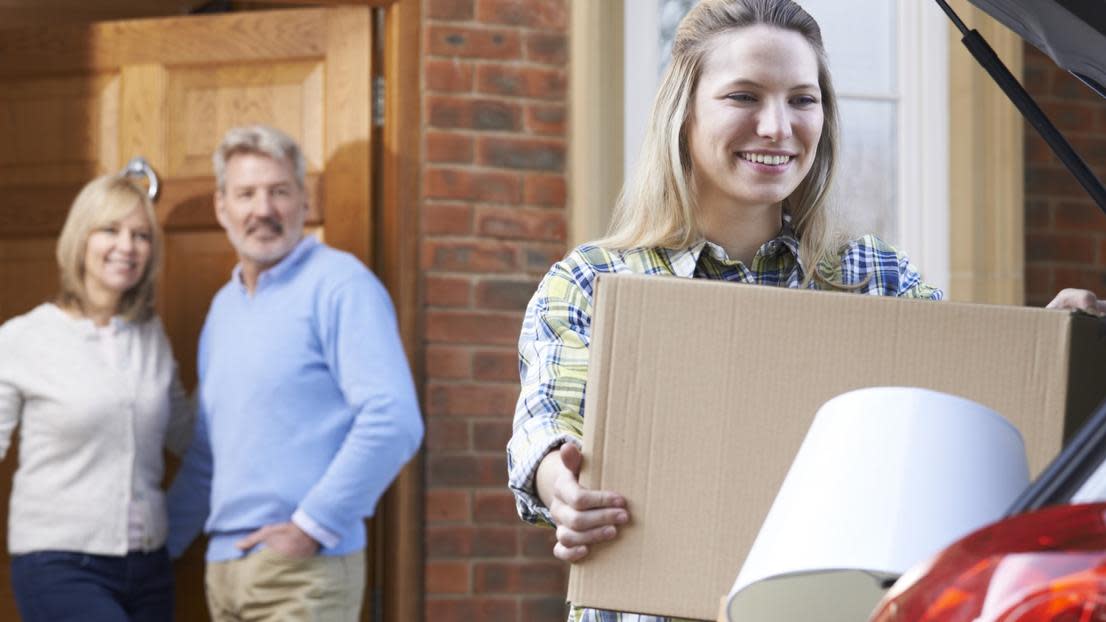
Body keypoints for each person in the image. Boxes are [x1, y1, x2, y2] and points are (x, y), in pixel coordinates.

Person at [507, 1, 1103, 620]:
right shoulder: (590, 282)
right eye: (743, 96)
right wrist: (563, 489)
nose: (776, 126)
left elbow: (966, 401)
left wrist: (1053, 342)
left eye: (802, 99)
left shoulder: (874, 277)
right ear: (682, 111)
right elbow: (546, 430)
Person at [166, 124, 423, 621]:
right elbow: (206, 452)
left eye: (279, 192)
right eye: (246, 194)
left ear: (304, 201)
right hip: (223, 574)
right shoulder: (224, 309)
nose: (262, 210)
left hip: (305, 572)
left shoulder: (340, 285)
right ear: (223, 208)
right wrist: (159, 552)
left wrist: (310, 527)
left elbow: (394, 419)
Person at [0, 175, 193, 621]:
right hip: (59, 562)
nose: (127, 246)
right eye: (110, 229)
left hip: (149, 566)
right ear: (80, 238)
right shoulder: (25, 338)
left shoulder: (151, 336)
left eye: (141, 235)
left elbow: (186, 433)